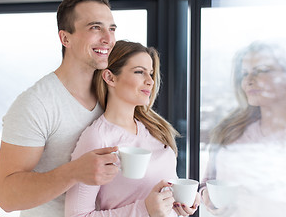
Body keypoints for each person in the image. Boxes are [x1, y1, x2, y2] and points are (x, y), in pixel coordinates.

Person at [0, 0, 120, 216]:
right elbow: (6, 197)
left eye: (111, 29)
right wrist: (73, 172)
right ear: (65, 38)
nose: (108, 38)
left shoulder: (112, 94)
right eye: (95, 27)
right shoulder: (35, 104)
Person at [65, 40, 200, 217]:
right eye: (139, 72)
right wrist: (144, 209)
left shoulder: (156, 130)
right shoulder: (97, 139)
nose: (150, 81)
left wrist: (180, 202)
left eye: (151, 74)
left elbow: (163, 196)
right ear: (110, 78)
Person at [199, 41, 286, 217]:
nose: (249, 80)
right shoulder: (230, 130)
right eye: (244, 74)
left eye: (261, 70)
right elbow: (207, 183)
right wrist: (207, 196)